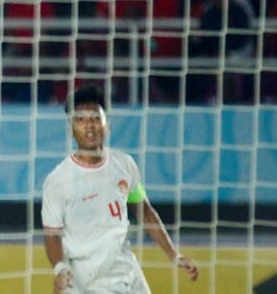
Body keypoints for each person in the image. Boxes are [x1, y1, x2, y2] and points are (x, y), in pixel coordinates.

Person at [43, 84, 199, 294]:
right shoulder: (58, 180)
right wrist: (60, 268)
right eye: (80, 119)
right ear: (71, 129)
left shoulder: (125, 165)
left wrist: (174, 255)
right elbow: (52, 236)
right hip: (87, 282)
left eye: (96, 118)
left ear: (108, 125)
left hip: (128, 274)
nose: (89, 125)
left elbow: (144, 211)